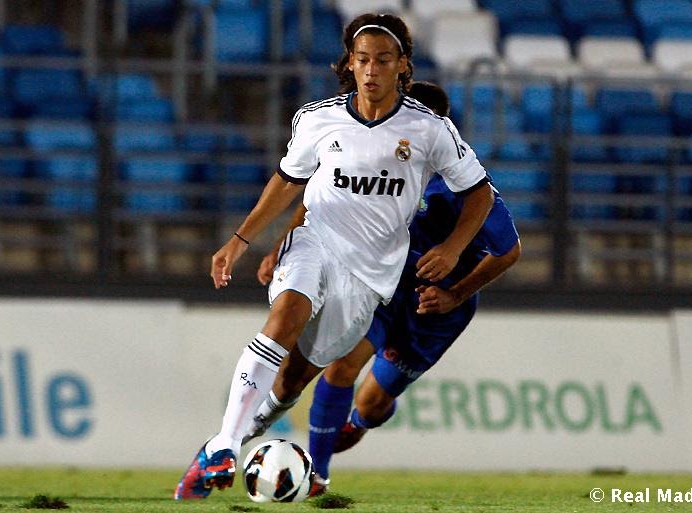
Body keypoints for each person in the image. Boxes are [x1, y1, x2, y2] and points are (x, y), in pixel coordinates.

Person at [175, 13, 493, 500]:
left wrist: (452, 249)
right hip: (316, 240)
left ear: (402, 65)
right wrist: (241, 240)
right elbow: (288, 182)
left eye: (382, 60)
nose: (371, 70)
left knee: (294, 379)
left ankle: (227, 443)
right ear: (349, 63)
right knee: (286, 314)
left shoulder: (429, 129)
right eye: (362, 59)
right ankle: (224, 445)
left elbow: (480, 195)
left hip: (370, 274)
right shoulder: (317, 118)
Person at [255, 81, 521, 496]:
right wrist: (282, 246)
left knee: (372, 403)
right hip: (383, 286)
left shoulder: (465, 186)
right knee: (342, 366)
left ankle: (361, 421)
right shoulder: (374, 154)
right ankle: (318, 477)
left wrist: (455, 293)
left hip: (435, 310)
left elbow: (509, 250)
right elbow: (318, 196)